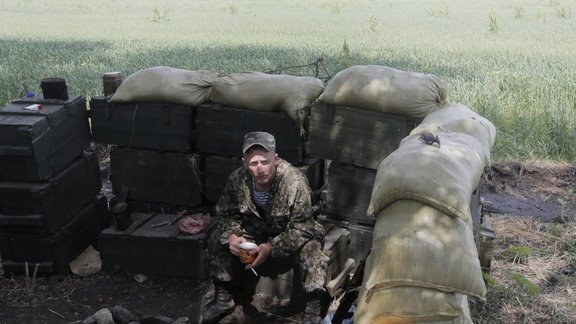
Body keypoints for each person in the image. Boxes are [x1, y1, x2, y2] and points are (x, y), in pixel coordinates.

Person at [181, 131, 329, 323]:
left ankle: (312, 310)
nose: (260, 169)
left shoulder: (294, 182)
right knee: (218, 236)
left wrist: (272, 247)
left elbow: (303, 227)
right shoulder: (238, 179)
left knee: (313, 251)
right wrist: (232, 237)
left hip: (288, 232)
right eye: (254, 163)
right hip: (256, 229)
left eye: (265, 162)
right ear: (245, 163)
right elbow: (226, 214)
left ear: (275, 159)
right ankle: (223, 298)